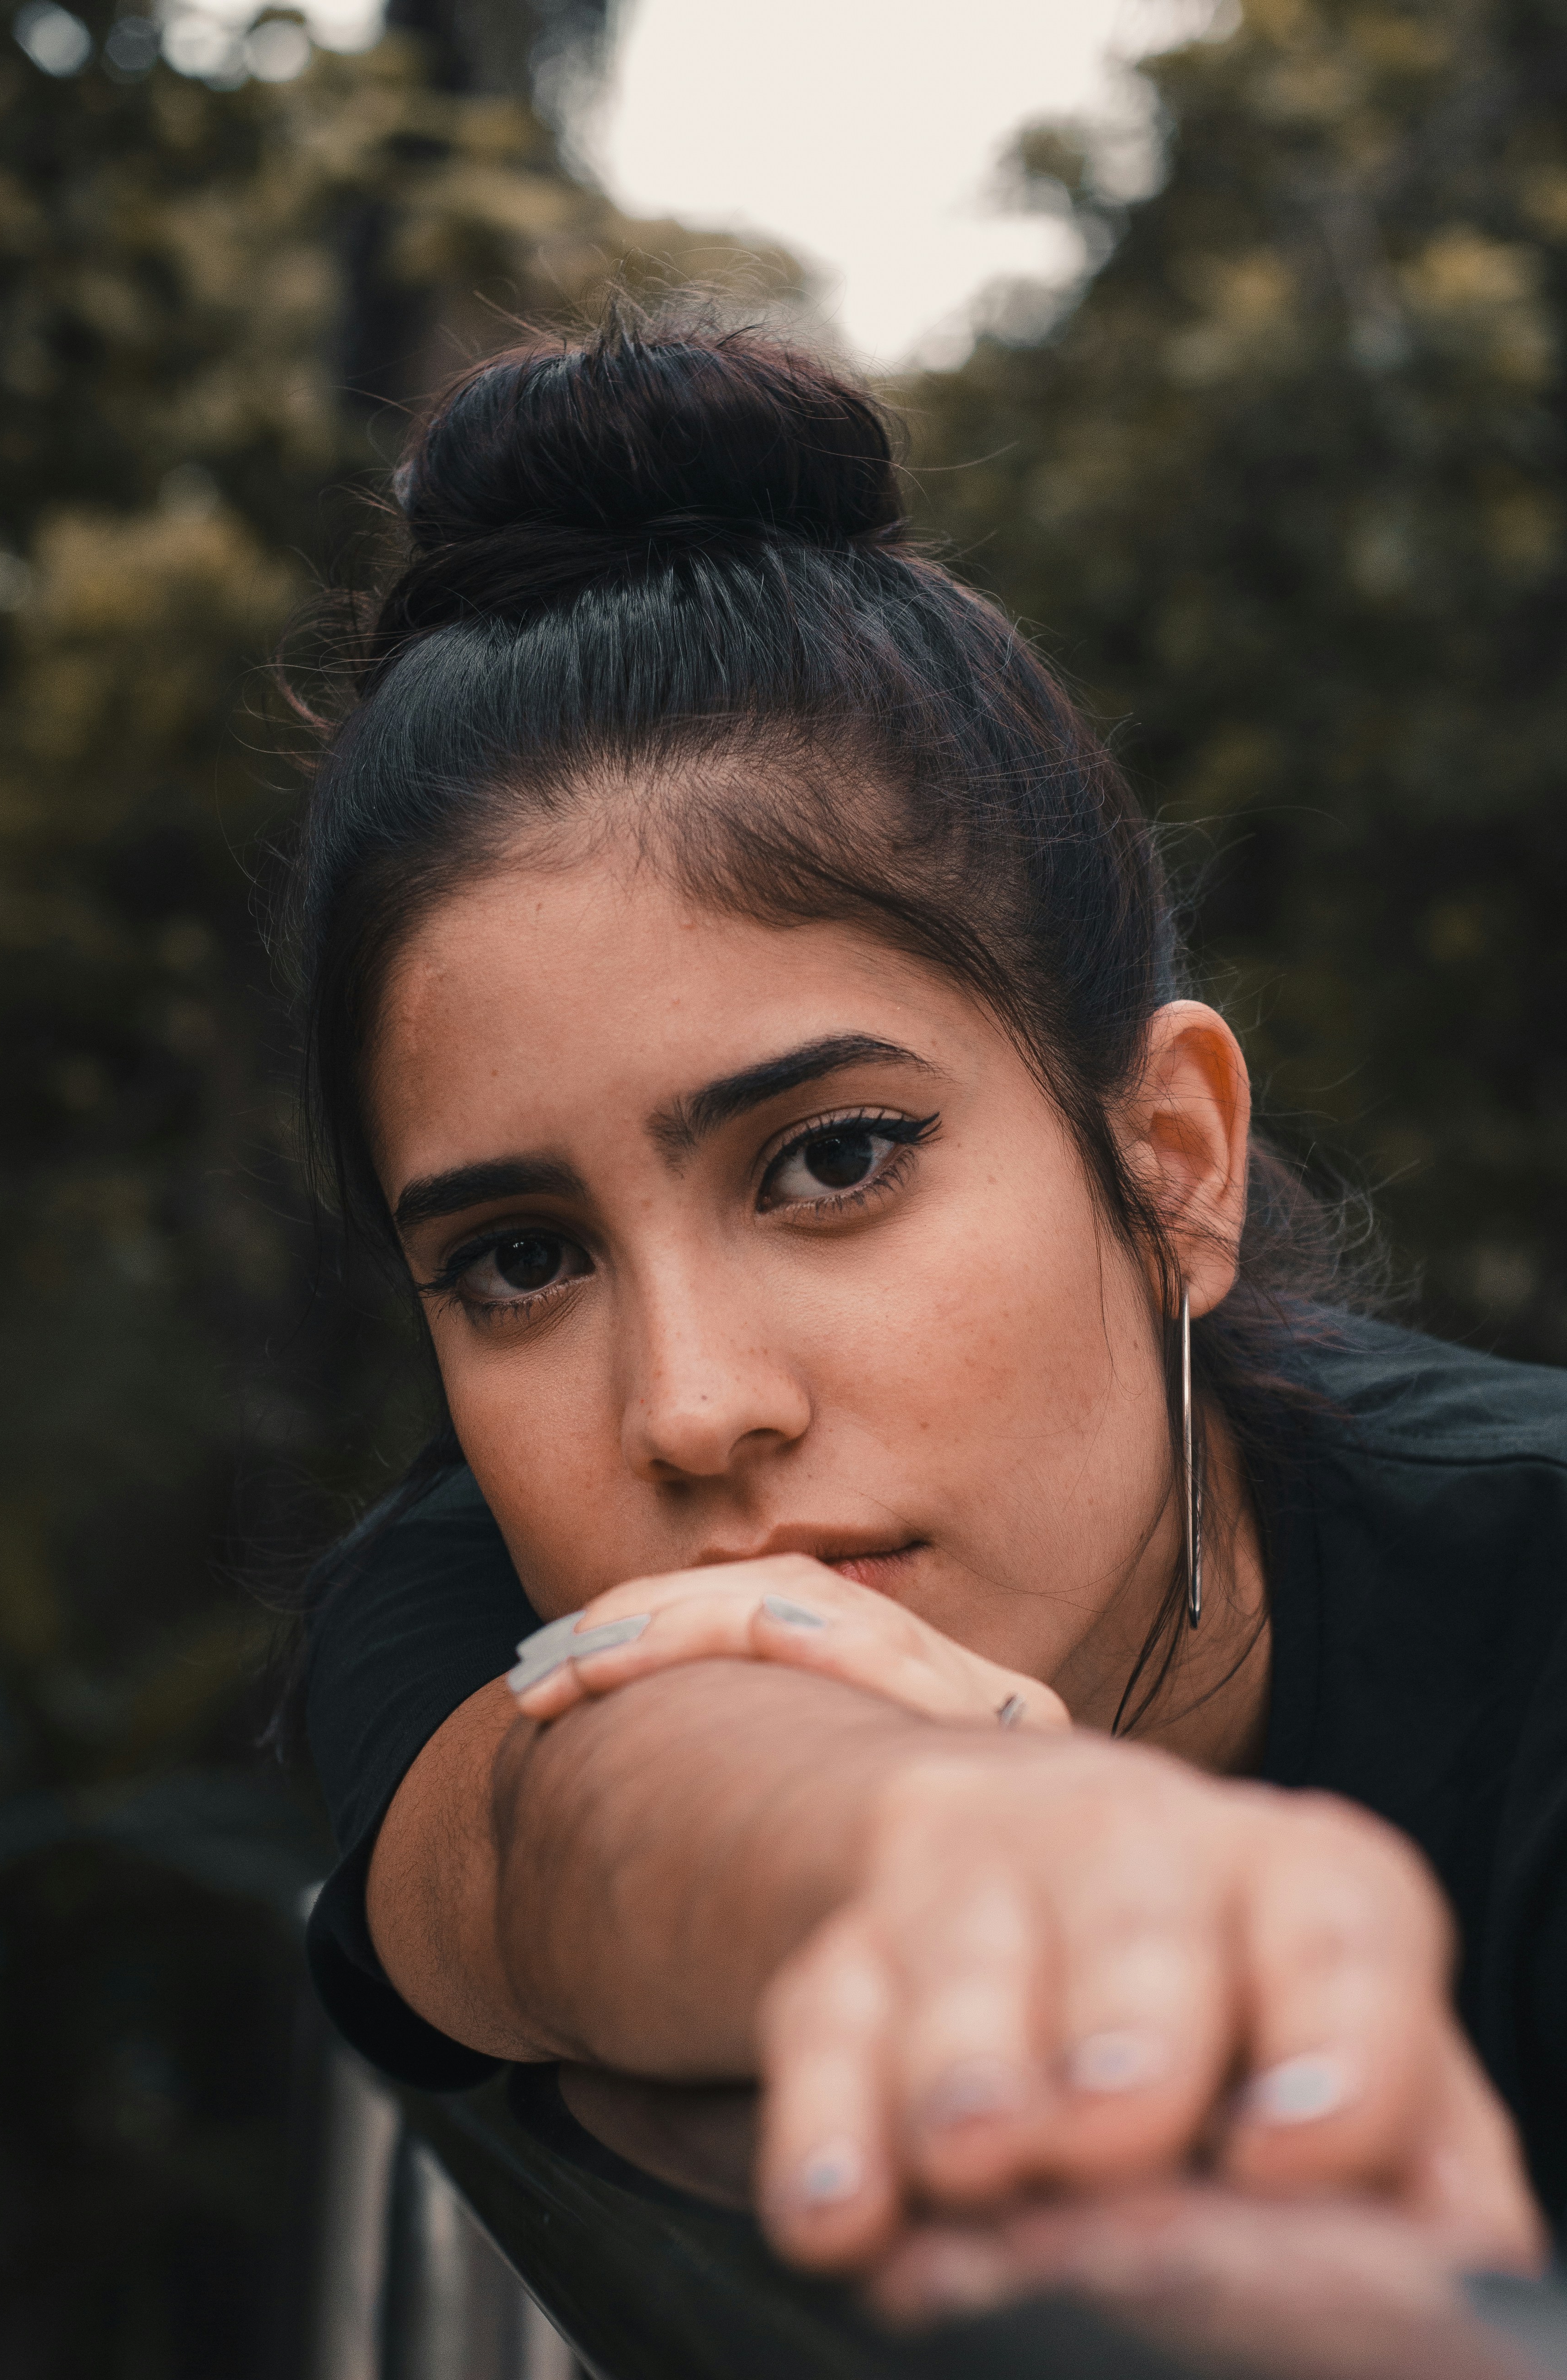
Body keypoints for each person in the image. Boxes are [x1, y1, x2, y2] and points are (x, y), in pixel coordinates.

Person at [290, 310, 1567, 2290]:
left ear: (1169, 1167)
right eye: (521, 1260)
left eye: (834, 1159)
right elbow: (568, 1840)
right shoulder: (462, 1599)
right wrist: (944, 1854)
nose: (693, 1409)